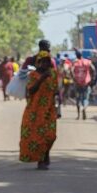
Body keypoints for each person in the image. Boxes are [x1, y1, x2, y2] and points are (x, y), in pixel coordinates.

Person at [19, 41, 58, 170]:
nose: (46, 65)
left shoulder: (53, 74)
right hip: (35, 110)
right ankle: (42, 159)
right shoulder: (33, 75)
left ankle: (46, 155)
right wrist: (41, 79)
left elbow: (56, 92)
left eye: (48, 62)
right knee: (38, 136)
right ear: (38, 63)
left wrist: (59, 108)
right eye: (43, 62)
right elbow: (30, 90)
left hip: (49, 109)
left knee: (51, 136)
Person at [72, 51, 94, 120]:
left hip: (77, 83)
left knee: (78, 99)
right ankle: (84, 108)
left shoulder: (75, 63)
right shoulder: (87, 61)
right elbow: (93, 69)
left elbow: (71, 70)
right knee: (85, 98)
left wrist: (74, 78)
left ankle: (78, 115)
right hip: (86, 83)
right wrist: (92, 78)